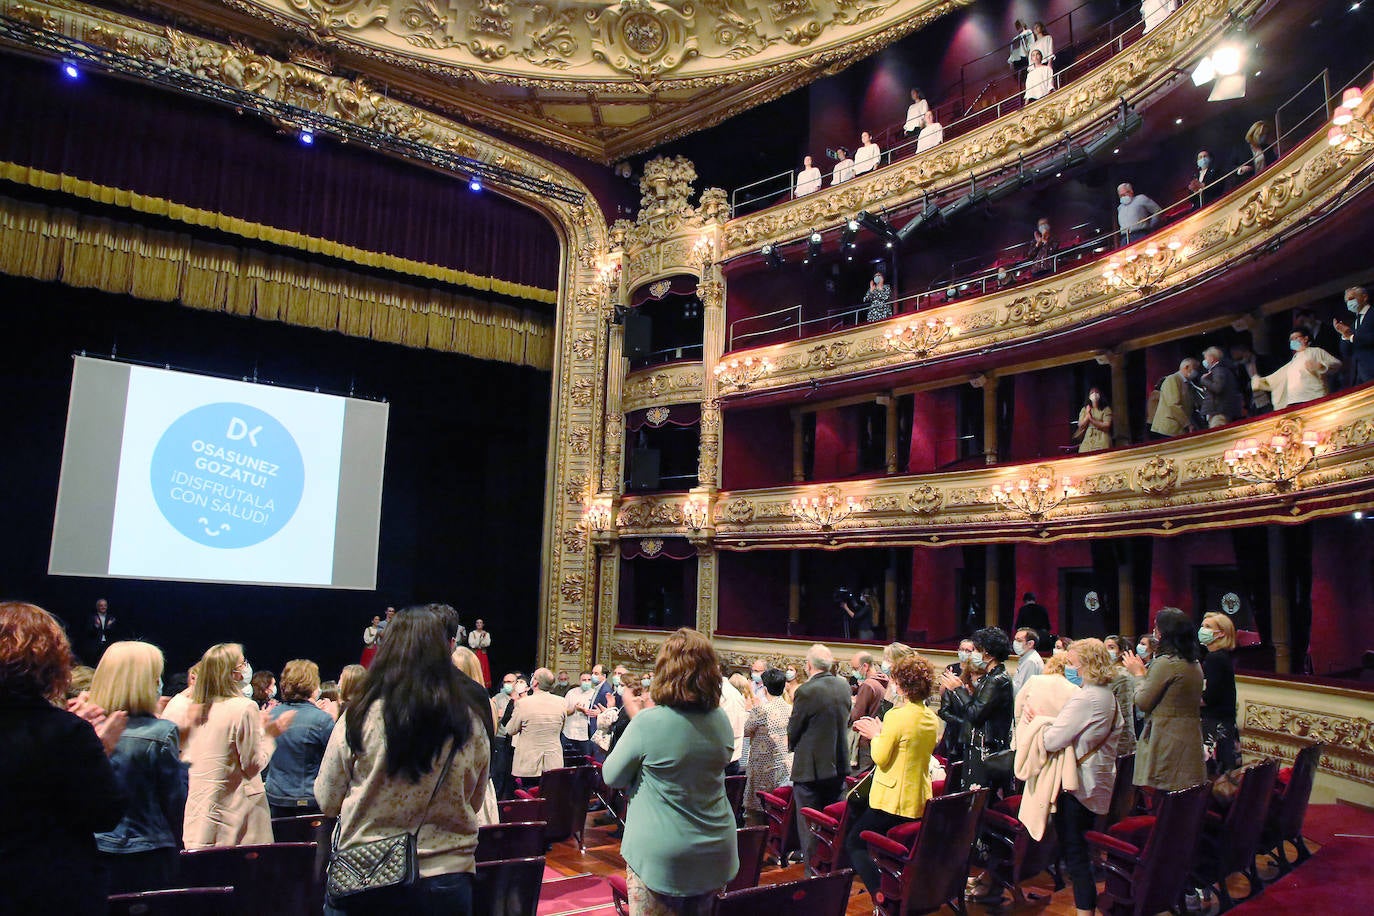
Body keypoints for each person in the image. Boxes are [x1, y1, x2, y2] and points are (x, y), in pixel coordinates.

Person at [315, 607, 489, 916]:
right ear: (443, 651)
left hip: (367, 870)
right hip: (445, 873)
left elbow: (328, 799)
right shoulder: (468, 720)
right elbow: (475, 800)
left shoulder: (360, 715)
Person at [1, 602, 129, 914]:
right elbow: (105, 813)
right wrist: (100, 749)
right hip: (48, 890)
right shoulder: (68, 734)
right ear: (51, 662)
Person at [604, 628, 738, 912]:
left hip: (663, 855)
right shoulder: (720, 719)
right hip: (715, 848)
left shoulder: (648, 722)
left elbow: (611, 776)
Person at [88, 640, 185, 895]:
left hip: (93, 851)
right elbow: (173, 801)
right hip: (148, 854)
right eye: (156, 677)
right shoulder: (162, 733)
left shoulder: (83, 728)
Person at [1039, 639, 1125, 916]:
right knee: (1081, 851)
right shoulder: (1107, 694)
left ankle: (1084, 910)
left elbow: (1053, 740)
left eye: (1073, 664)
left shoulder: (1086, 697)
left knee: (1075, 853)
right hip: (1097, 780)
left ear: (1087, 664)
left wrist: (1039, 722)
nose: (1070, 669)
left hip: (1077, 785)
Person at [183, 643, 295, 848]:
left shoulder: (194, 707)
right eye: (243, 663)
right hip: (235, 821)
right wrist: (269, 736)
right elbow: (252, 766)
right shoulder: (244, 707)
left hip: (200, 816)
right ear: (234, 673)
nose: (246, 668)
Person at [846, 653, 940, 897]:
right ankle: (895, 889)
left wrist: (876, 734)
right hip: (916, 795)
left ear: (902, 685)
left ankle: (882, 894)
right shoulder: (930, 717)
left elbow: (880, 757)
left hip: (891, 798)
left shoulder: (897, 716)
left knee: (855, 843)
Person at [1122, 607, 1205, 792]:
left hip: (1166, 738)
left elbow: (1143, 702)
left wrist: (1138, 675)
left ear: (1164, 633)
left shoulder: (1166, 663)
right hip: (1188, 737)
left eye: (1156, 629)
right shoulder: (1194, 662)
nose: (1154, 633)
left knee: (1163, 800)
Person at [788, 643, 852, 876]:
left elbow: (794, 728)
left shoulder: (806, 691)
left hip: (810, 769)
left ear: (808, 665)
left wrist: (792, 744)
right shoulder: (844, 686)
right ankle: (832, 875)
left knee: (810, 828)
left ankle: (812, 876)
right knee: (831, 826)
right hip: (839, 765)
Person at [939, 627, 1014, 792]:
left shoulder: (997, 679)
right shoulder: (992, 677)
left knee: (976, 799)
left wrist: (958, 689)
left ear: (986, 652)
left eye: (975, 650)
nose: (973, 655)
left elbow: (976, 713)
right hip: (978, 745)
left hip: (984, 749)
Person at [265, 659, 335, 819]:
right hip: (309, 804)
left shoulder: (271, 715)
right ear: (312, 684)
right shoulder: (323, 720)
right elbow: (333, 762)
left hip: (275, 801)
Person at [1248, 327, 1341, 409]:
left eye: (1296, 338)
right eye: (1291, 339)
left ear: (1305, 338)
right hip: (1294, 402)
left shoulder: (1315, 352)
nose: (1293, 341)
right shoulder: (1292, 362)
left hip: (1313, 398)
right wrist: (1258, 381)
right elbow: (1276, 379)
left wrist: (1320, 366)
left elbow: (1336, 364)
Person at [743, 668, 790, 826]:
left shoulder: (760, 710)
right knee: (776, 810)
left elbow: (746, 730)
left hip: (761, 768)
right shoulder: (790, 709)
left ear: (764, 688)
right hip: (783, 768)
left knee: (754, 812)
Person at [508, 667, 565, 788]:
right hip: (553, 762)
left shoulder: (523, 703)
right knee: (550, 799)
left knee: (530, 800)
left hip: (529, 763)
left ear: (535, 682)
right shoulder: (562, 702)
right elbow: (562, 728)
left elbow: (510, 730)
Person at [1199, 612, 1239, 776]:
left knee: (1215, 776)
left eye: (1208, 627)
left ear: (1221, 633)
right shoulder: (1220, 657)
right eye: (1202, 626)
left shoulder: (1215, 659)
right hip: (1223, 723)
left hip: (1215, 724)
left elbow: (1210, 696)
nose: (1202, 630)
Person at [935, 638, 975, 762]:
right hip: (951, 713)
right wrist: (946, 684)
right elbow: (943, 694)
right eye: (961, 650)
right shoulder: (952, 668)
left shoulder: (974, 671)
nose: (964, 653)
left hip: (965, 714)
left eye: (968, 650)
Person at [848, 650, 888, 771]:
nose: (853, 671)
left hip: (865, 740)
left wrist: (852, 704)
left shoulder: (868, 685)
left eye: (855, 668)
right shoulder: (882, 681)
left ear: (865, 666)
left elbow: (856, 715)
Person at [1102, 636, 1138, 758]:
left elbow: (1125, 713)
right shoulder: (1106, 672)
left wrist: (1124, 746)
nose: (1107, 651)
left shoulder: (1122, 676)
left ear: (1121, 651)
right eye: (1104, 648)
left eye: (1111, 647)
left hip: (1120, 743)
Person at [1151, 358, 1201, 438]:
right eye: (1195, 368)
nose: (1196, 372)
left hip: (1179, 428)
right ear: (1186, 367)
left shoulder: (1188, 383)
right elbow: (1173, 404)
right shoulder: (1172, 379)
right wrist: (1187, 424)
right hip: (1169, 429)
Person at [1336, 285, 1374, 385]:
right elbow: (1346, 352)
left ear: (1364, 297)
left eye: (1351, 298)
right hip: (1358, 376)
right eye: (1346, 301)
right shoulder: (1354, 323)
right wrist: (1345, 335)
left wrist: (1352, 337)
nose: (1349, 303)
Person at [1199, 345, 1245, 427]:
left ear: (1212, 358)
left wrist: (1203, 380)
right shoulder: (1223, 369)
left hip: (1218, 412)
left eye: (1206, 358)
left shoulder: (1218, 370)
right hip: (1220, 411)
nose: (1204, 361)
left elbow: (1218, 388)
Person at [563, 671, 597, 760]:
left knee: (585, 761)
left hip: (585, 735)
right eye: (584, 680)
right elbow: (564, 711)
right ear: (579, 681)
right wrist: (574, 709)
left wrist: (583, 710)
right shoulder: (571, 693)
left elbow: (596, 713)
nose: (586, 682)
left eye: (589, 680)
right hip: (569, 732)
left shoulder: (594, 694)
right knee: (567, 760)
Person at [79, 597, 122, 664]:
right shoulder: (92, 618)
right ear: (97, 607)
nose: (103, 607)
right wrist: (96, 626)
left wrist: (108, 626)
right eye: (101, 605)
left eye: (105, 605)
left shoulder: (111, 618)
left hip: (107, 646)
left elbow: (115, 634)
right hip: (95, 647)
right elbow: (88, 633)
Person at [1075, 387, 1113, 452]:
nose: (1094, 394)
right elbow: (1080, 425)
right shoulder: (1084, 409)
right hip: (1088, 439)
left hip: (1102, 439)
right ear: (1089, 396)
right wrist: (1087, 415)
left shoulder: (1106, 409)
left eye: (1096, 392)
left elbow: (1106, 425)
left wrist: (1091, 419)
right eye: (1092, 393)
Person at [1011, 627, 1045, 698]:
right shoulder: (1027, 658)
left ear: (1030, 644)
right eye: (1015, 640)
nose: (1015, 643)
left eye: (1019, 641)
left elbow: (1020, 690)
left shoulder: (1030, 661)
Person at [467, 619, 492, 687]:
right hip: (475, 654)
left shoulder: (486, 634)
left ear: (483, 624)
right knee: (474, 668)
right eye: (477, 623)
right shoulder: (472, 633)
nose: (479, 624)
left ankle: (483, 686)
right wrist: (480, 638)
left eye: (480, 623)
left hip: (483, 654)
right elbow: (472, 644)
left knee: (483, 669)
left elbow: (487, 643)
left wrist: (478, 643)